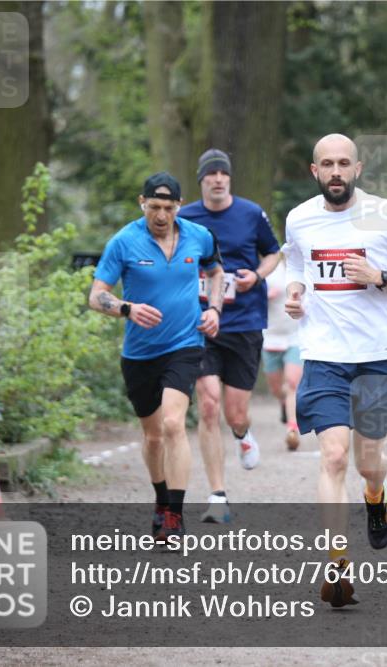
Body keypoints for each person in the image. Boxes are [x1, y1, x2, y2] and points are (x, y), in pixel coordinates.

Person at [283, 133, 387, 607]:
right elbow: (296, 263)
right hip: (324, 356)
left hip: (377, 355)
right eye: (328, 164)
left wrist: (382, 278)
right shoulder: (300, 218)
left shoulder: (384, 215)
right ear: (315, 170)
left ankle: (375, 493)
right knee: (333, 456)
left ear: (358, 168)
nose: (337, 171)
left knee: (368, 462)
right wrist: (296, 291)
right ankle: (337, 564)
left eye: (345, 163)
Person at [89, 172, 223, 541]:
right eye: (154, 207)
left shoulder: (199, 236)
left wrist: (213, 309)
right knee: (152, 437)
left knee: (174, 424)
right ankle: (161, 499)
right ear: (141, 203)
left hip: (185, 344)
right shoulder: (124, 242)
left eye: (168, 208)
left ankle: (175, 516)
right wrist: (126, 308)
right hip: (139, 352)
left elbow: (215, 272)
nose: (161, 215)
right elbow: (96, 294)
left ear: (179, 206)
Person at [178, 149, 281, 524]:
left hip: (244, 322)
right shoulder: (185, 217)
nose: (218, 179)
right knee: (207, 404)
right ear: (201, 179)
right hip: (200, 322)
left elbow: (273, 254)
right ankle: (217, 496)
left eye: (224, 173)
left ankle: (242, 432)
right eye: (212, 174)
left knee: (235, 411)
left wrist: (257, 274)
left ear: (230, 179)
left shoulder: (251, 214)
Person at [262, 256, 303, 450]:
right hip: (271, 337)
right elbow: (253, 295)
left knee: (292, 384)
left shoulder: (306, 270)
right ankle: (283, 403)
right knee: (277, 389)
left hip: (296, 337)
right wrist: (265, 295)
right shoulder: (272, 271)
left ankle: (292, 429)